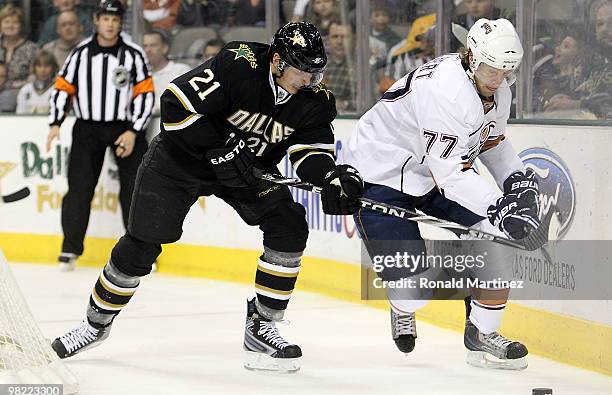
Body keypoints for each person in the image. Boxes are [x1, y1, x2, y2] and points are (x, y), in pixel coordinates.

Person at [50, 21, 363, 373]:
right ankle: (94, 324)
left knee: (288, 224)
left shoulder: (315, 101)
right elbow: (174, 106)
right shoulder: (238, 64)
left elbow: (310, 152)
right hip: (181, 160)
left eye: (315, 73)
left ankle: (262, 326)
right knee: (140, 246)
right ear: (276, 60)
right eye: (301, 72)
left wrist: (330, 176)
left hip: (245, 171)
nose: (310, 81)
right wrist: (219, 148)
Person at [342, 18, 540, 370]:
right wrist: (499, 205)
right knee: (414, 292)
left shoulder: (497, 87)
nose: (498, 80)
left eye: (506, 72)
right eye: (492, 70)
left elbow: (490, 143)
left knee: (499, 238)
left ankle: (482, 335)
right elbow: (451, 176)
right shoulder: (446, 90)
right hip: (382, 175)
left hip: (433, 172)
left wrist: (517, 182)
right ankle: (402, 305)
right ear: (471, 56)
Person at [46, 0, 154, 272]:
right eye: (105, 18)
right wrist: (56, 121)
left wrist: (134, 130)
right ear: (96, 20)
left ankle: (140, 254)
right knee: (79, 189)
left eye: (115, 19)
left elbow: (145, 94)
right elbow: (62, 88)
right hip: (87, 128)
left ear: (120, 23)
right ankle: (70, 248)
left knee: (135, 191)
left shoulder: (133, 54)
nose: (110, 23)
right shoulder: (79, 53)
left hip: (124, 128)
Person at [142, 29, 190, 114]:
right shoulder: (140, 75)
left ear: (165, 48)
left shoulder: (181, 71)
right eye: (145, 46)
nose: (148, 50)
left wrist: (148, 109)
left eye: (153, 45)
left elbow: (181, 103)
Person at [0, 4, 39, 95]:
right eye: (6, 22)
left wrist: (13, 86)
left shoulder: (32, 49)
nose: (10, 25)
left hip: (20, 94)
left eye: (15, 22)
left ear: (21, 26)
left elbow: (35, 77)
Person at [325, 21, 356, 113]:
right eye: (335, 37)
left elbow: (371, 101)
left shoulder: (363, 68)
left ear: (354, 39)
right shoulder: (317, 67)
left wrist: (344, 104)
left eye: (345, 37)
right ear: (328, 39)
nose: (339, 42)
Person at [16, 50, 58, 114]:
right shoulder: (25, 90)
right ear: (34, 67)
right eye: (39, 66)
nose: (42, 70)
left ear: (53, 68)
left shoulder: (58, 90)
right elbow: (19, 114)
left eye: (46, 66)